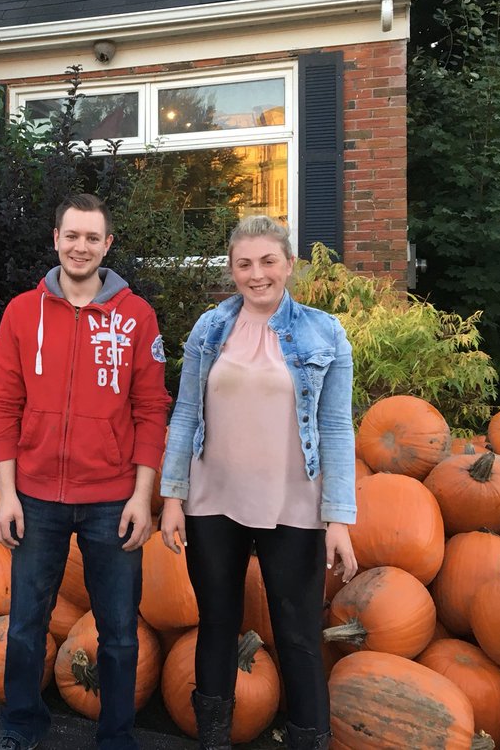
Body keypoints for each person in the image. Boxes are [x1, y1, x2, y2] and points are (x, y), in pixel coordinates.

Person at [159, 215, 358, 750]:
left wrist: (339, 517)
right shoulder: (210, 329)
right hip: (211, 500)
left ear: (289, 265)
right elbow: (184, 414)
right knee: (217, 622)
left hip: (293, 504)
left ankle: (308, 740)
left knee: (296, 635)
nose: (257, 274)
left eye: (268, 261)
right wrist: (172, 498)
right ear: (232, 269)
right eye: (244, 264)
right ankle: (214, 740)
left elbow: (337, 427)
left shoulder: (324, 333)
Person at [0, 193, 171, 750]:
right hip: (36, 496)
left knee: (117, 631)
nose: (81, 246)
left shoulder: (136, 317)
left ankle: (116, 736)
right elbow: (3, 405)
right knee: (24, 625)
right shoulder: (22, 313)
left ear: (107, 245)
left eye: (92, 237)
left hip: (112, 498)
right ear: (55, 239)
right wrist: (6, 493)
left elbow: (151, 409)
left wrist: (143, 496)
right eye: (72, 235)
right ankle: (22, 725)